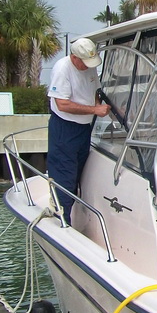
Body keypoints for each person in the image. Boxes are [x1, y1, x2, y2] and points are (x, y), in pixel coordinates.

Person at [47, 38, 110, 222]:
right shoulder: (62, 69)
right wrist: (94, 110)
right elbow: (62, 104)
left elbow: (94, 92)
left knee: (79, 171)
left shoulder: (89, 66)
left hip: (85, 127)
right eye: (84, 62)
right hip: (65, 127)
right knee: (64, 173)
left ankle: (74, 212)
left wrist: (100, 106)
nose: (87, 66)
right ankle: (62, 219)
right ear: (74, 57)